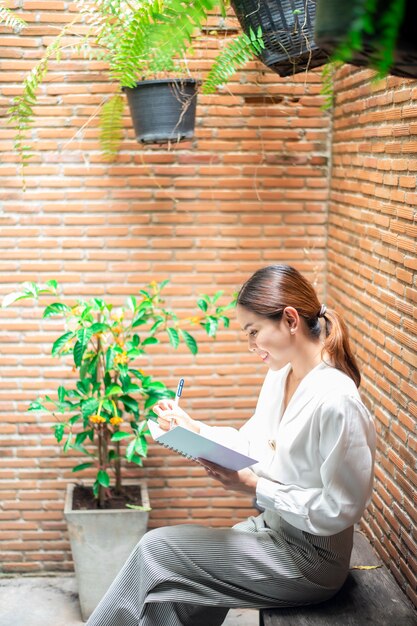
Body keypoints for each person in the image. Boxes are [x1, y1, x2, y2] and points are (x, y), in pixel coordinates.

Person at [86, 264, 376, 626]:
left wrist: (255, 486)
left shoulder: (337, 401)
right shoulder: (280, 376)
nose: (251, 345)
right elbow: (251, 440)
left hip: (311, 560)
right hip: (273, 529)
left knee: (155, 550)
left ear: (289, 319)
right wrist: (192, 428)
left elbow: (341, 509)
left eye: (253, 332)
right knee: (167, 599)